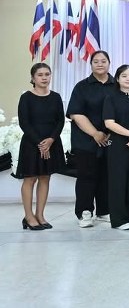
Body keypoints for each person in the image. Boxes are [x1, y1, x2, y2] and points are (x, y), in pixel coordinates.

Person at [67, 50, 115, 227]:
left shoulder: (117, 85)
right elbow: (76, 113)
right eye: (96, 61)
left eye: (103, 61)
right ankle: (85, 212)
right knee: (86, 177)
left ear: (109, 63)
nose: (100, 64)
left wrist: (110, 133)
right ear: (91, 64)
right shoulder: (82, 87)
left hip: (110, 140)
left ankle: (104, 211)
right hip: (85, 140)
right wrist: (95, 133)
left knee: (106, 176)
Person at [17, 63, 66, 230]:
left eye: (47, 74)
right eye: (40, 75)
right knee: (30, 178)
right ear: (33, 78)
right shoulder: (26, 98)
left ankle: (40, 215)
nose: (44, 78)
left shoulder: (56, 97)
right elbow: (24, 123)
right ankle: (28, 216)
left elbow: (60, 121)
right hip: (32, 144)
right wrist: (40, 143)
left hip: (51, 143)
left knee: (45, 177)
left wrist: (51, 140)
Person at [102, 65, 129, 230]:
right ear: (118, 79)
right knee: (118, 181)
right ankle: (119, 220)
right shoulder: (111, 97)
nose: (128, 78)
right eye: (124, 76)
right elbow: (109, 123)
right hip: (118, 143)